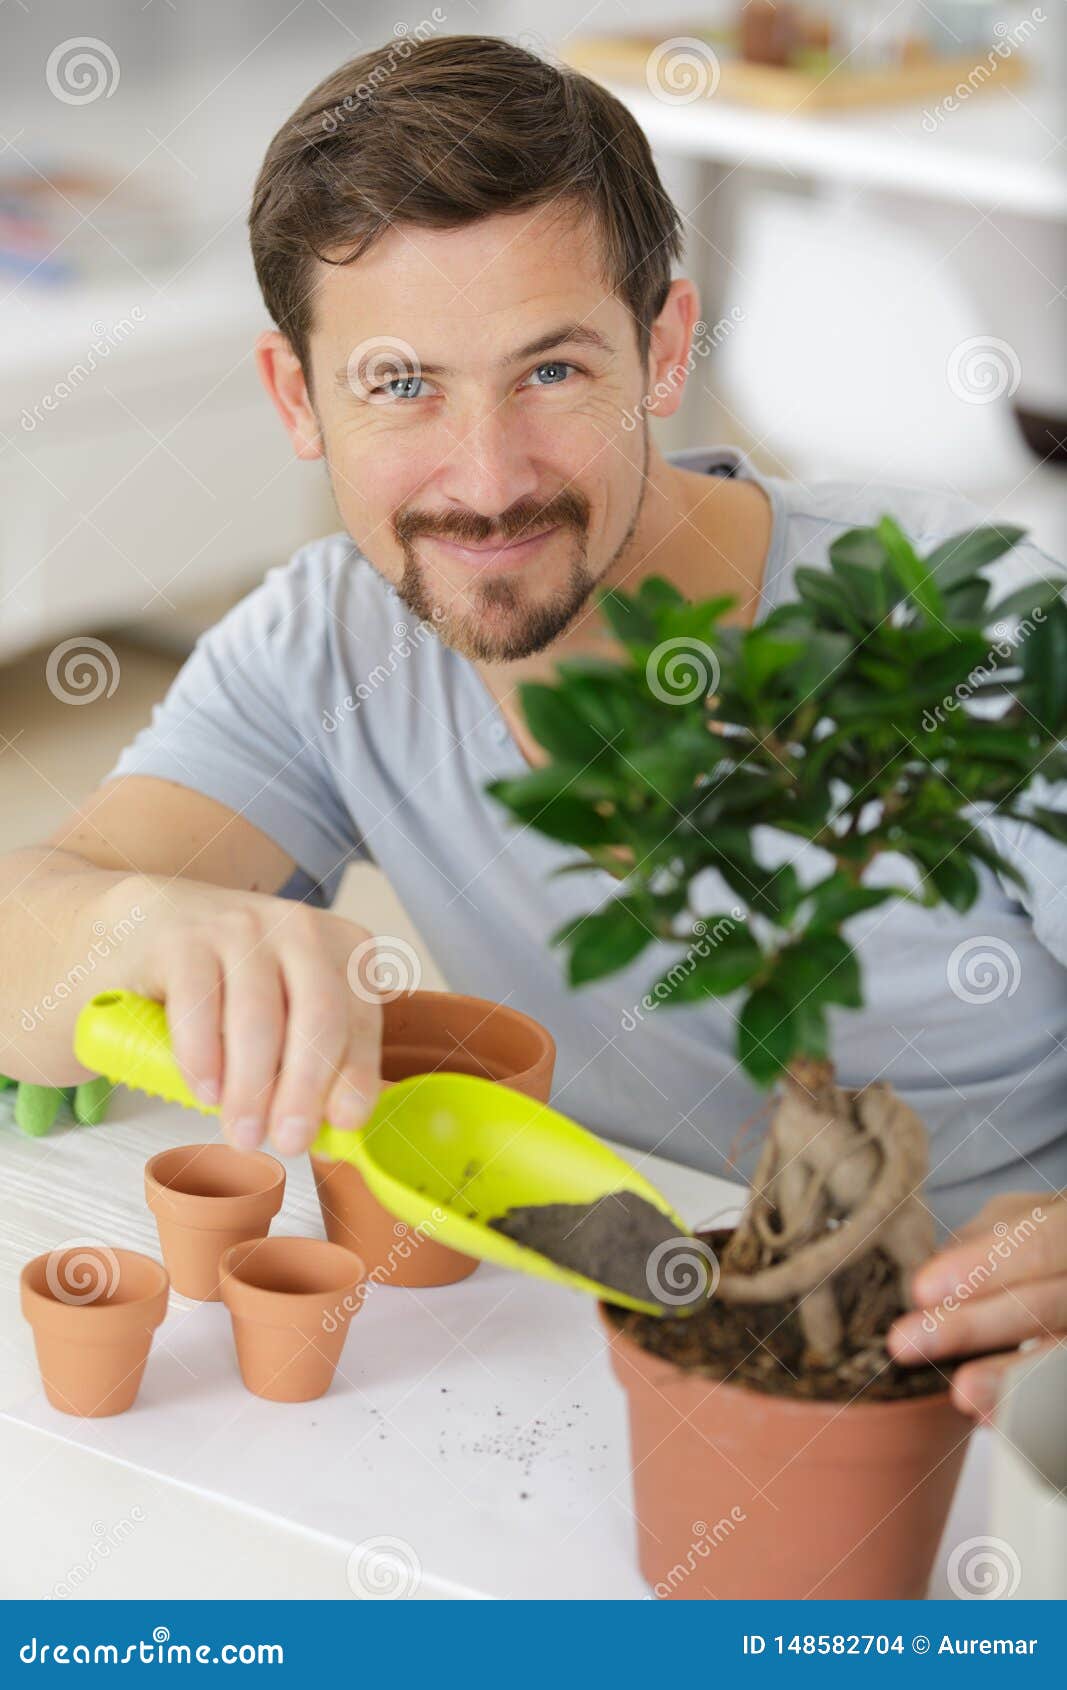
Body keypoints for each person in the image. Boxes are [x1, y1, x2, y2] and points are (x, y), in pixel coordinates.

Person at [2, 35, 1063, 1417]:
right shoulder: (329, 644)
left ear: (664, 347)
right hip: (605, 1363)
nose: (486, 478)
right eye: (401, 385)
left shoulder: (972, 633)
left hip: (973, 1397)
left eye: (552, 371)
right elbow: (24, 944)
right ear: (294, 397)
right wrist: (146, 928)